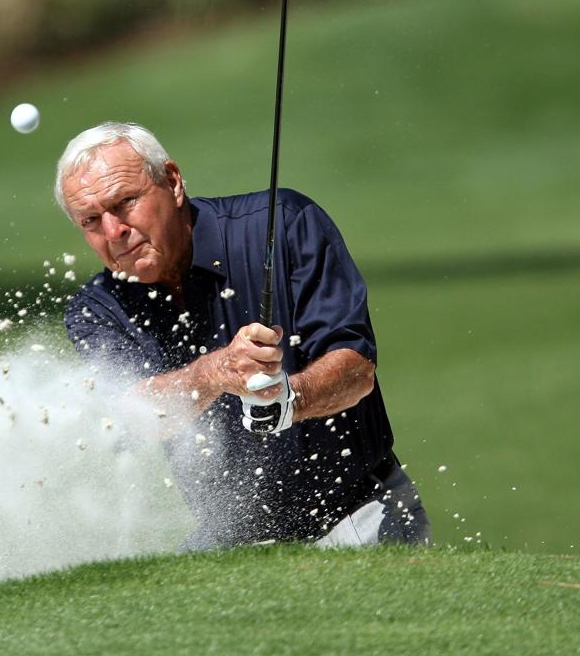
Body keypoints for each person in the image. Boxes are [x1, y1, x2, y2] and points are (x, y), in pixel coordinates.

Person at [56, 121, 429, 550]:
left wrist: (290, 400)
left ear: (173, 182)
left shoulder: (282, 224)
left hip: (353, 510)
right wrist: (214, 373)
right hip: (232, 537)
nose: (113, 231)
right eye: (91, 221)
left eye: (125, 203)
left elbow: (355, 368)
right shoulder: (98, 308)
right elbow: (134, 414)